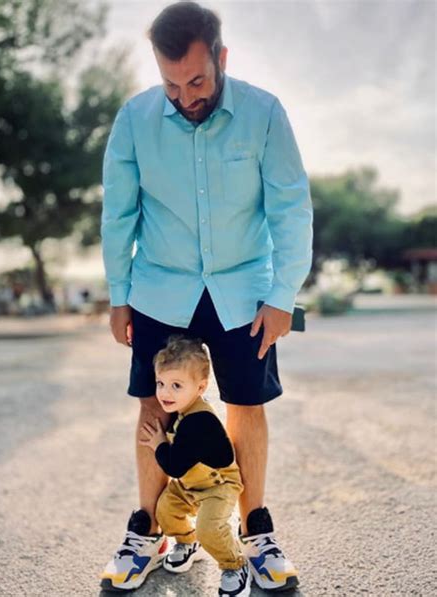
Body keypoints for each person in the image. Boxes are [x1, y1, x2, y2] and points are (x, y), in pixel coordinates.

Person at [100, 1, 313, 593]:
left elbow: (291, 208)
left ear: (221, 58)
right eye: (171, 83)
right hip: (158, 287)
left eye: (196, 80)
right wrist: (120, 296)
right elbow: (119, 215)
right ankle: (148, 532)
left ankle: (256, 533)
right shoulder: (135, 119)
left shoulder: (264, 113)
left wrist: (281, 295)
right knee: (151, 405)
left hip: (245, 288)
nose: (184, 96)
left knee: (247, 406)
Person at [138, 335, 250, 596]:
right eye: (160, 383)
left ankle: (234, 564)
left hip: (218, 485)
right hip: (190, 484)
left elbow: (174, 467)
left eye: (176, 385)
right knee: (165, 510)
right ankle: (188, 543)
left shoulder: (198, 422)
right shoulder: (184, 410)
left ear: (200, 388)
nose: (165, 392)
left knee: (209, 529)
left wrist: (158, 444)